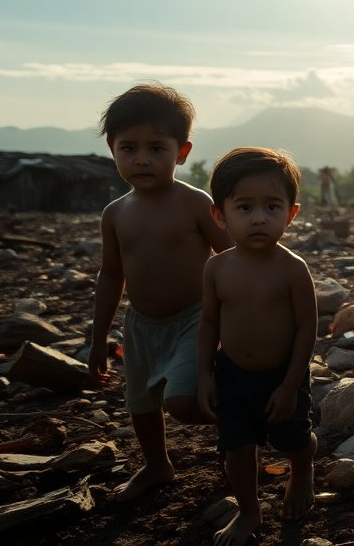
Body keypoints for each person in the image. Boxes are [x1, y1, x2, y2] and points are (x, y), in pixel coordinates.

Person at [89, 83, 233, 502]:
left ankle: (237, 427)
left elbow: (233, 256)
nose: (142, 159)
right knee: (142, 404)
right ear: (112, 149)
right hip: (141, 325)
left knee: (183, 403)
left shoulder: (195, 203)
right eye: (128, 148)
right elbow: (111, 275)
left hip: (196, 318)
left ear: (181, 152)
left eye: (156, 148)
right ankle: (157, 466)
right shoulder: (115, 214)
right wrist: (98, 338)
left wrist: (248, 309)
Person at [196, 148, 316, 545]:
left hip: (283, 375)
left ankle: (302, 470)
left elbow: (306, 330)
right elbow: (210, 322)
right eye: (244, 207)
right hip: (231, 372)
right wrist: (204, 376)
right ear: (220, 215)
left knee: (293, 439)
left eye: (272, 206)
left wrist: (289, 385)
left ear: (291, 214)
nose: (259, 218)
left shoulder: (293, 269)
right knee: (237, 446)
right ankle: (249, 512)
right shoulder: (217, 267)